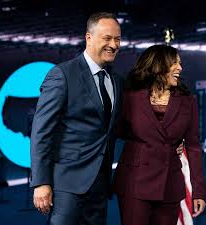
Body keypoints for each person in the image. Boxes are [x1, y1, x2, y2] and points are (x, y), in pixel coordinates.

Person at [30, 12, 122, 225]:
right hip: (66, 187)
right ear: (88, 38)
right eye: (107, 38)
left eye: (117, 39)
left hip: (100, 186)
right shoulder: (62, 74)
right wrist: (41, 183)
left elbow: (116, 128)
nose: (113, 44)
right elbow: (41, 132)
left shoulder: (116, 81)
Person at [113, 44, 206, 225]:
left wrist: (199, 191)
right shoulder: (130, 98)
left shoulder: (188, 102)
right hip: (135, 183)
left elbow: (193, 147)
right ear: (158, 66)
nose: (180, 68)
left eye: (180, 63)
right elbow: (118, 132)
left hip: (169, 185)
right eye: (175, 63)